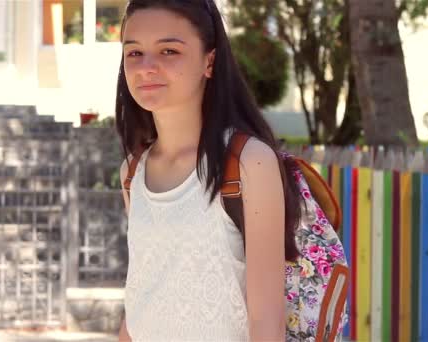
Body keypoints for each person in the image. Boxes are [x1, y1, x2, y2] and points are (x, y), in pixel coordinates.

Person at [114, 0, 304, 340]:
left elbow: (266, 319)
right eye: (134, 53)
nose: (147, 67)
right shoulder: (132, 172)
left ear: (209, 61)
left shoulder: (248, 162)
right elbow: (142, 298)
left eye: (169, 51)